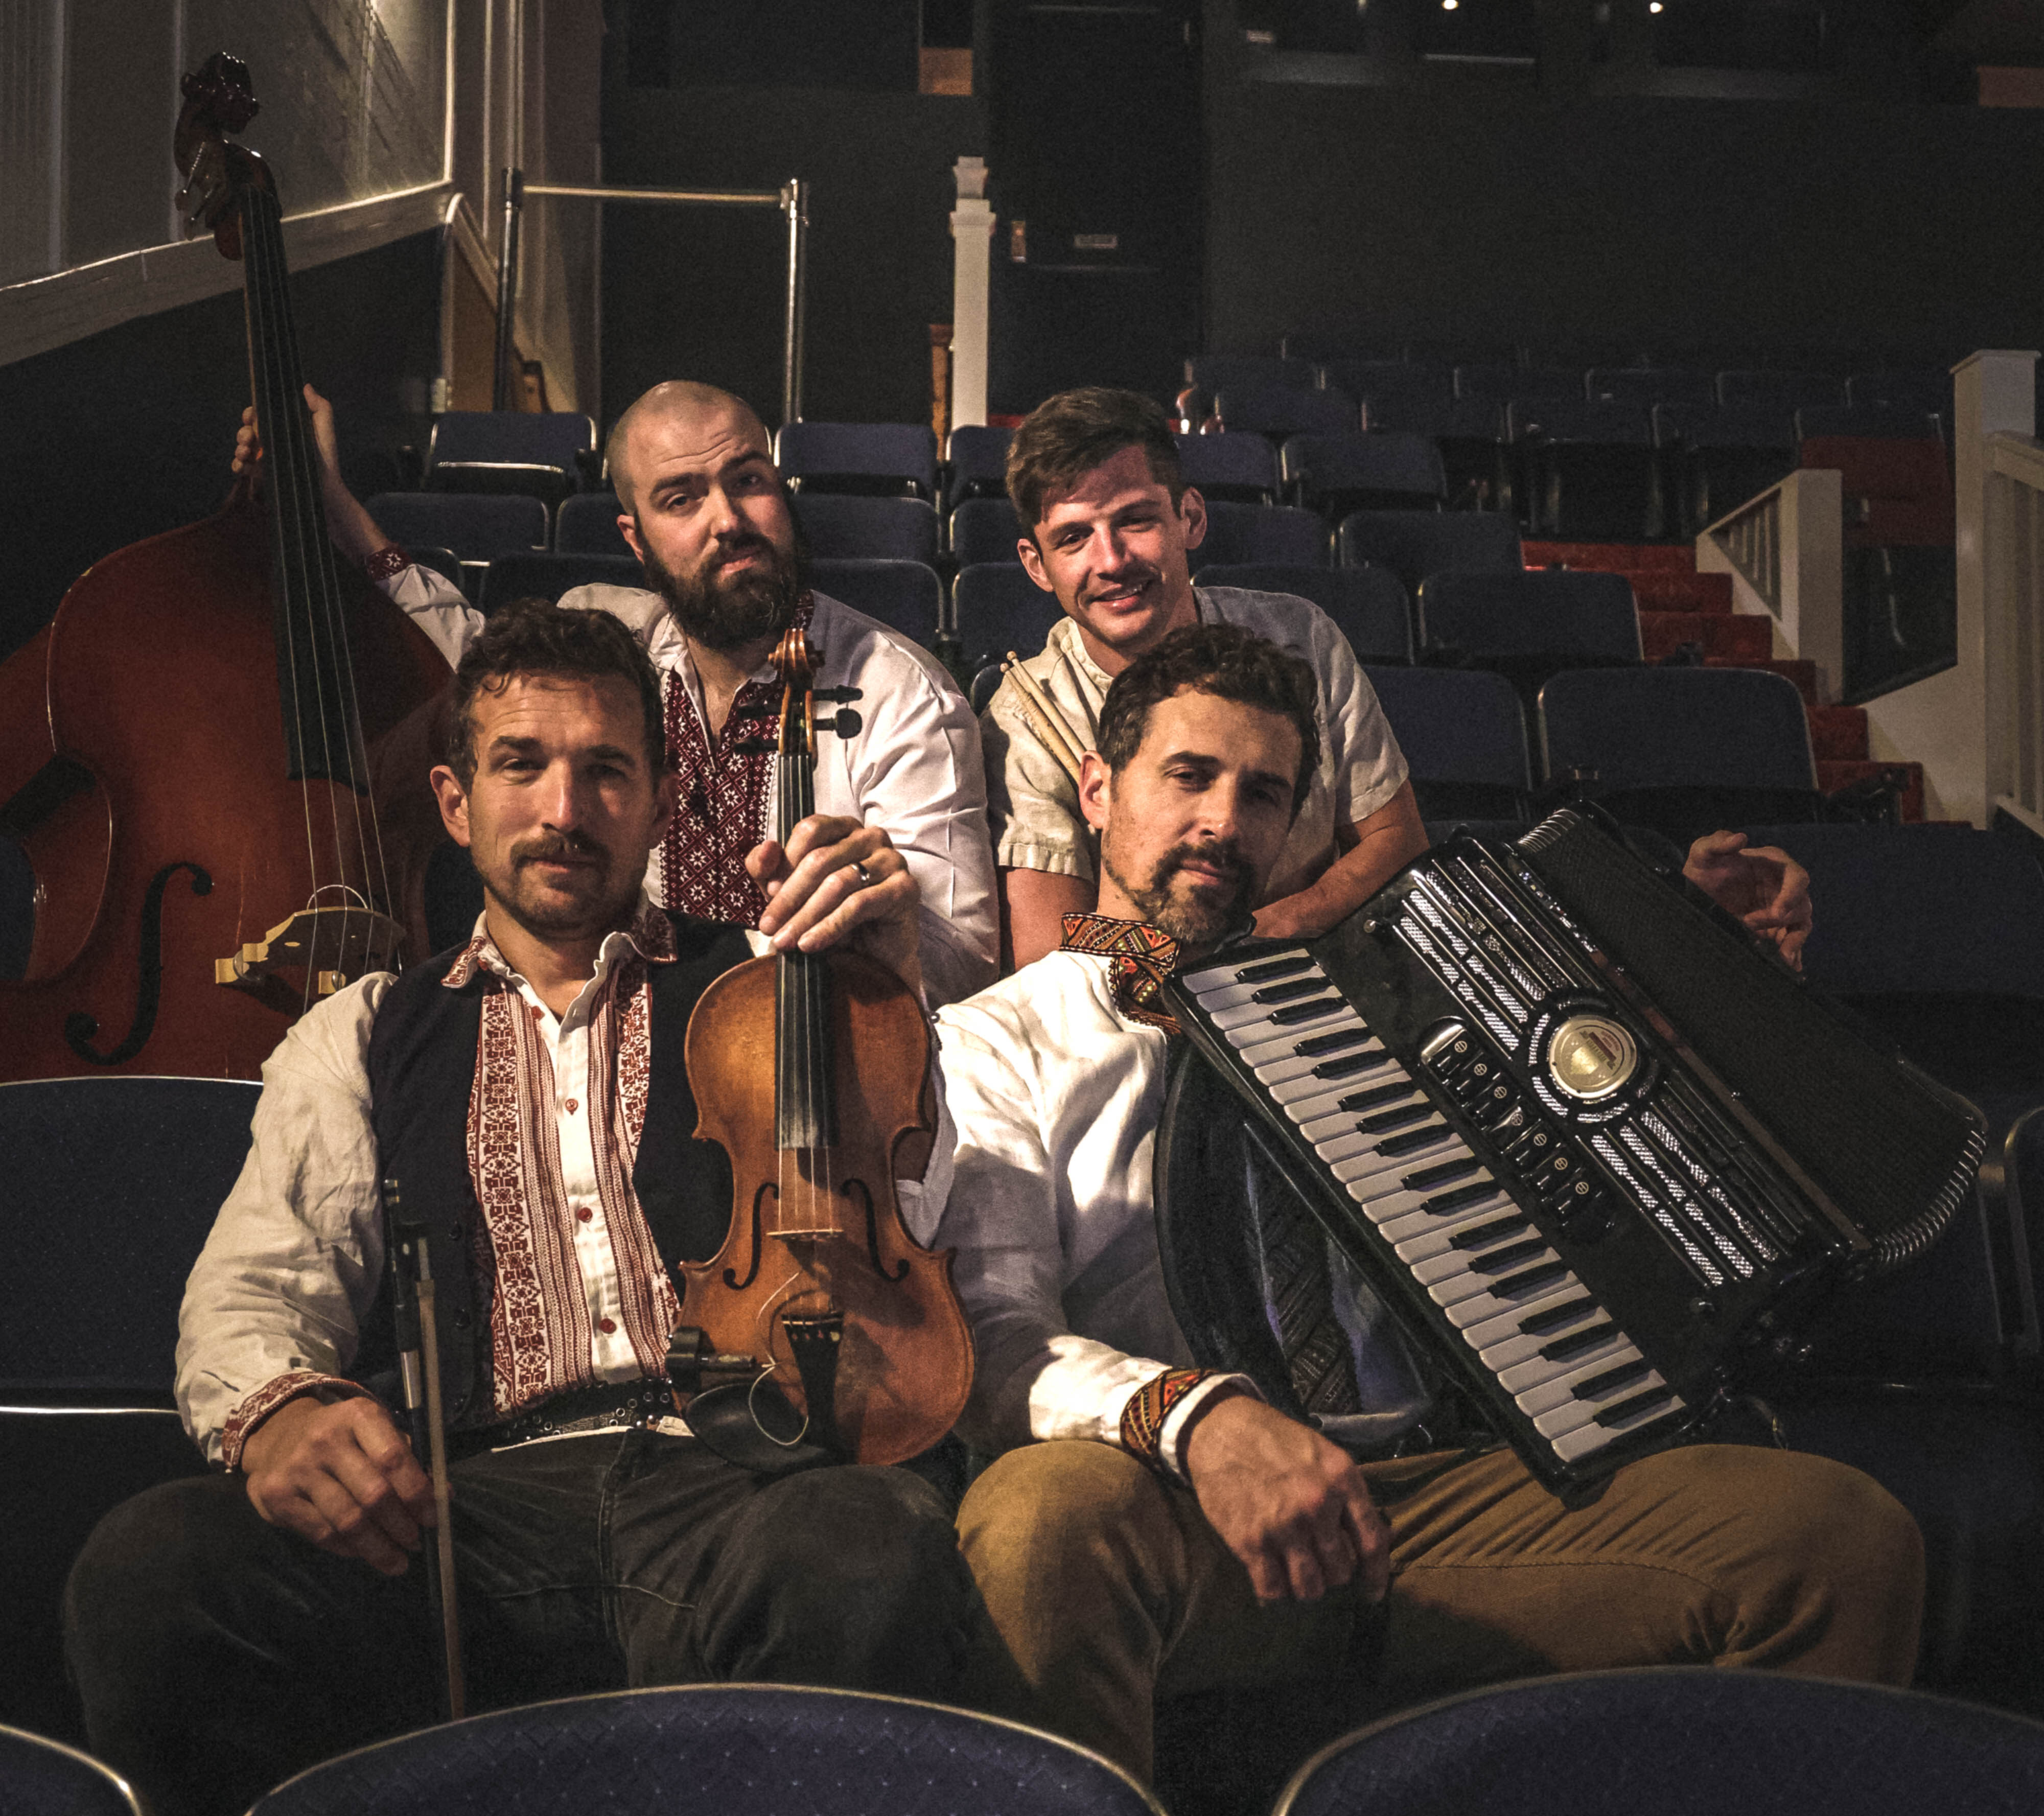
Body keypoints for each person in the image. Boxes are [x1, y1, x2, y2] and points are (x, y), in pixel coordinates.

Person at [927, 621, 1920, 1785]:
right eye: (1187, 776)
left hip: (1437, 1491)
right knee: (1038, 1516)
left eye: (1262, 793)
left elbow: (1601, 1164)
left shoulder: (1378, 993)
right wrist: (1203, 1421)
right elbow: (995, 1343)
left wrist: (1687, 964)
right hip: (1181, 1509)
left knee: (1840, 1538)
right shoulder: (992, 1039)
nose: (1222, 823)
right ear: (1098, 790)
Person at [63, 601, 975, 1816]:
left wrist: (885, 976)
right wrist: (278, 1413)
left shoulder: (770, 982)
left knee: (868, 1544)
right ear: (455, 802)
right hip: (460, 1508)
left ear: (662, 800)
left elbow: (912, 1204)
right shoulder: (362, 1030)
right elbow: (256, 1286)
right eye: (521, 765)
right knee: (157, 1566)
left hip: (732, 1484)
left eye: (607, 771)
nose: (564, 809)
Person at [979, 386, 1814, 974]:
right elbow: (1056, 954)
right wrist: (1244, 951)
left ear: (1189, 517)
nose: (1112, 560)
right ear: (1036, 564)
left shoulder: (1300, 638)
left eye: (1136, 520)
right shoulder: (1025, 714)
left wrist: (1274, 929)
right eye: (1074, 537)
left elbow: (1395, 843)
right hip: (1150, 1018)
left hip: (1333, 974)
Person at [235, 382, 998, 1007]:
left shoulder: (903, 695)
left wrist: (882, 921)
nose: (728, 520)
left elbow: (963, 970)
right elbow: (465, 657)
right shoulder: (614, 641)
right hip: (610, 1046)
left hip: (811, 1061)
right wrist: (331, 501)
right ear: (636, 540)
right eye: (681, 499)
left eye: (748, 481)